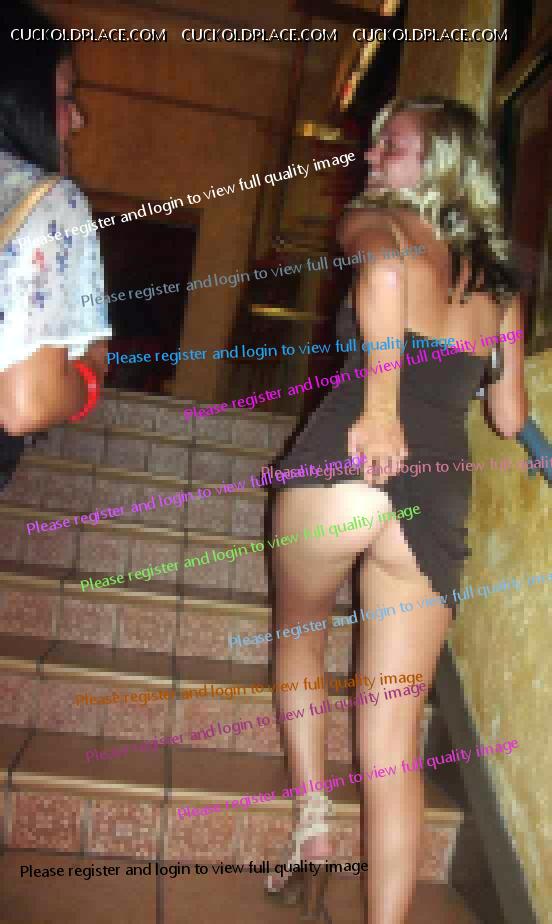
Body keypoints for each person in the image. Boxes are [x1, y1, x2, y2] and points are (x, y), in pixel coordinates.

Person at [265, 97, 528, 923]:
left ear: (442, 166)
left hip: (347, 464)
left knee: (300, 636)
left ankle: (313, 827)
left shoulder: (374, 221)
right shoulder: (502, 286)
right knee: (395, 741)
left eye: (395, 146)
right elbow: (509, 417)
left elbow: (381, 273)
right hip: (435, 496)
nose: (373, 156)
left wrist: (381, 408)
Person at [0, 0, 111, 484]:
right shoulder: (46, 199)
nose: (78, 120)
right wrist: (92, 371)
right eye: (65, 97)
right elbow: (27, 404)